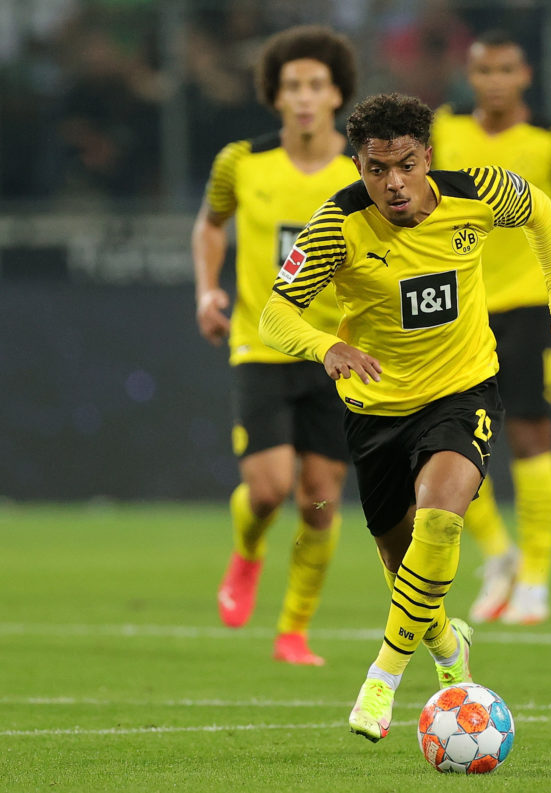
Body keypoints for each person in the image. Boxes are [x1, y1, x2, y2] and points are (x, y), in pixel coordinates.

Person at [259, 92, 551, 742]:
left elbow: (540, 209)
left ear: (428, 158)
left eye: (406, 165)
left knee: (440, 520)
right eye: (376, 169)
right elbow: (275, 313)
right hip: (376, 412)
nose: (393, 182)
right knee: (407, 573)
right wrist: (325, 346)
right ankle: (447, 645)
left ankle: (381, 679)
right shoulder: (336, 224)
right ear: (358, 167)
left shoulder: (476, 192)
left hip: (462, 392)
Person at [192, 25, 359, 667]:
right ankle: (247, 552)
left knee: (318, 499)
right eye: (293, 86)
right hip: (260, 344)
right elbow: (210, 226)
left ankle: (293, 631)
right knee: (267, 490)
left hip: (335, 352)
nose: (305, 97)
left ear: (337, 94)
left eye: (317, 85)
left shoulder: (361, 173)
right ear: (276, 95)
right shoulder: (241, 161)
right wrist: (207, 290)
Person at [430, 29, 551, 626]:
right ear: (470, 76)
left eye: (506, 69)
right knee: (440, 438)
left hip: (533, 308)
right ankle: (499, 554)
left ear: (525, 75)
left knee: (531, 437)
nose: (495, 81)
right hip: (458, 307)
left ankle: (534, 580)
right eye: (484, 71)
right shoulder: (442, 129)